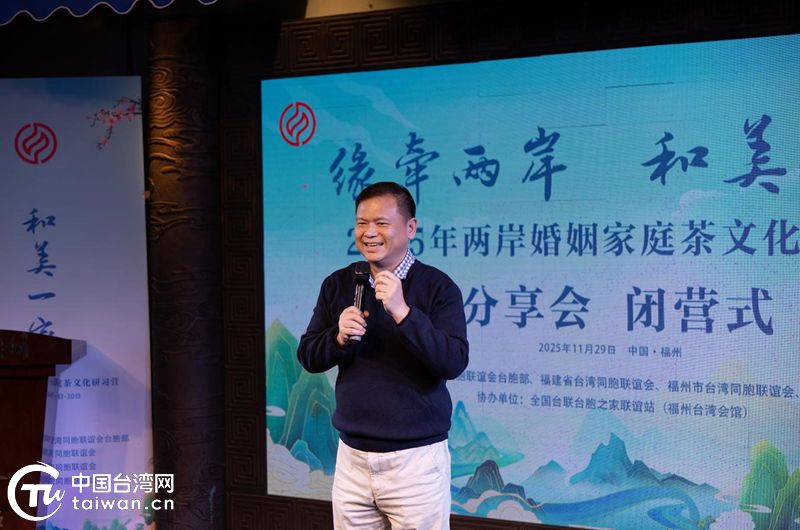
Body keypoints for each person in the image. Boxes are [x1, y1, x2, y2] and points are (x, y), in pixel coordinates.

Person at [297, 181, 469, 530]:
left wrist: (403, 313)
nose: (369, 233)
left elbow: (453, 361)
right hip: (352, 458)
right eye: (362, 223)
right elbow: (309, 355)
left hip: (415, 462)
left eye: (381, 223)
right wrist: (338, 337)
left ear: (410, 228)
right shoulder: (338, 283)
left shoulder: (438, 287)